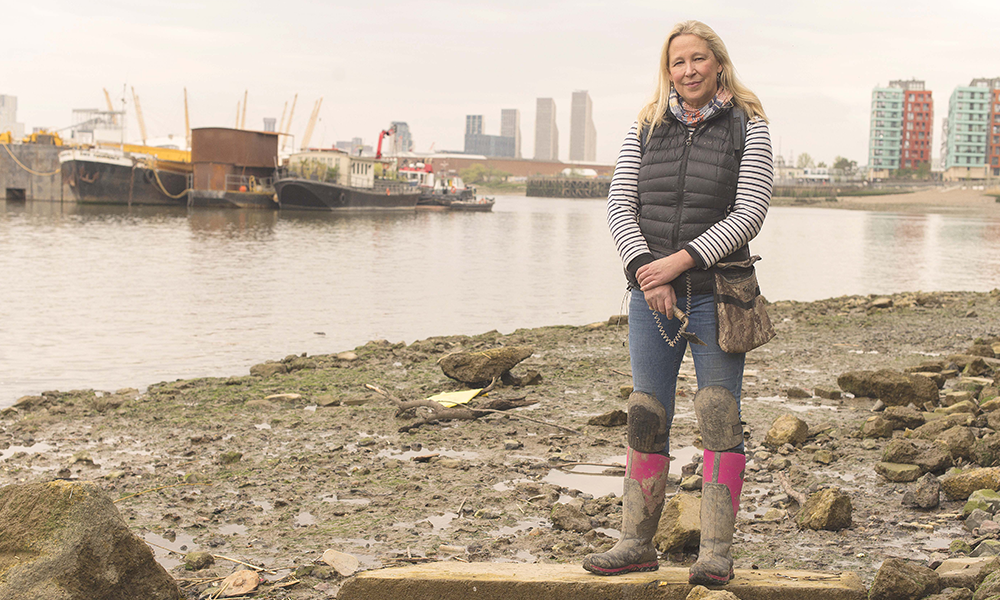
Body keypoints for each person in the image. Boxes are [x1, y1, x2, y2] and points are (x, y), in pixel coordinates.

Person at [582, 20, 773, 586]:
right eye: (676, 63)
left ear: (718, 62)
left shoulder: (750, 125)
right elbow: (620, 205)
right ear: (667, 71)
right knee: (646, 414)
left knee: (719, 414)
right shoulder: (646, 126)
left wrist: (681, 261)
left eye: (696, 59)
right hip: (652, 297)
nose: (686, 71)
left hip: (719, 293)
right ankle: (635, 543)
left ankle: (715, 552)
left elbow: (750, 212)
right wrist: (648, 272)